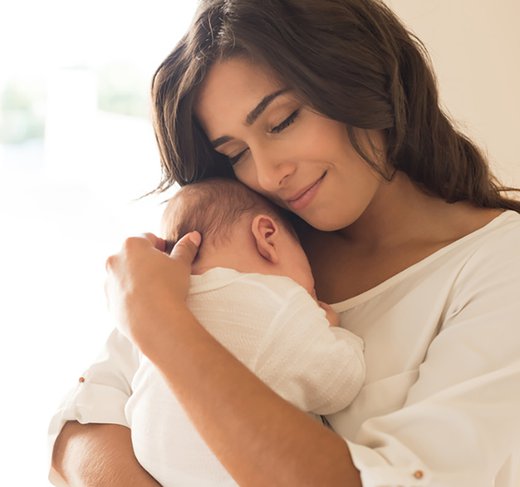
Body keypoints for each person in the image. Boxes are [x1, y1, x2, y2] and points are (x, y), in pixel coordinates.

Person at [50, 0, 520, 486]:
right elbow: (79, 432)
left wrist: (160, 324)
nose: (269, 174)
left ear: (361, 75)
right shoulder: (247, 243)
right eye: (235, 153)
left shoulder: (499, 265)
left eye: (281, 121)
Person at [127, 177, 365, 486]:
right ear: (267, 236)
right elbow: (340, 384)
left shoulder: (162, 305)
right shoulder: (277, 302)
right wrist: (334, 330)